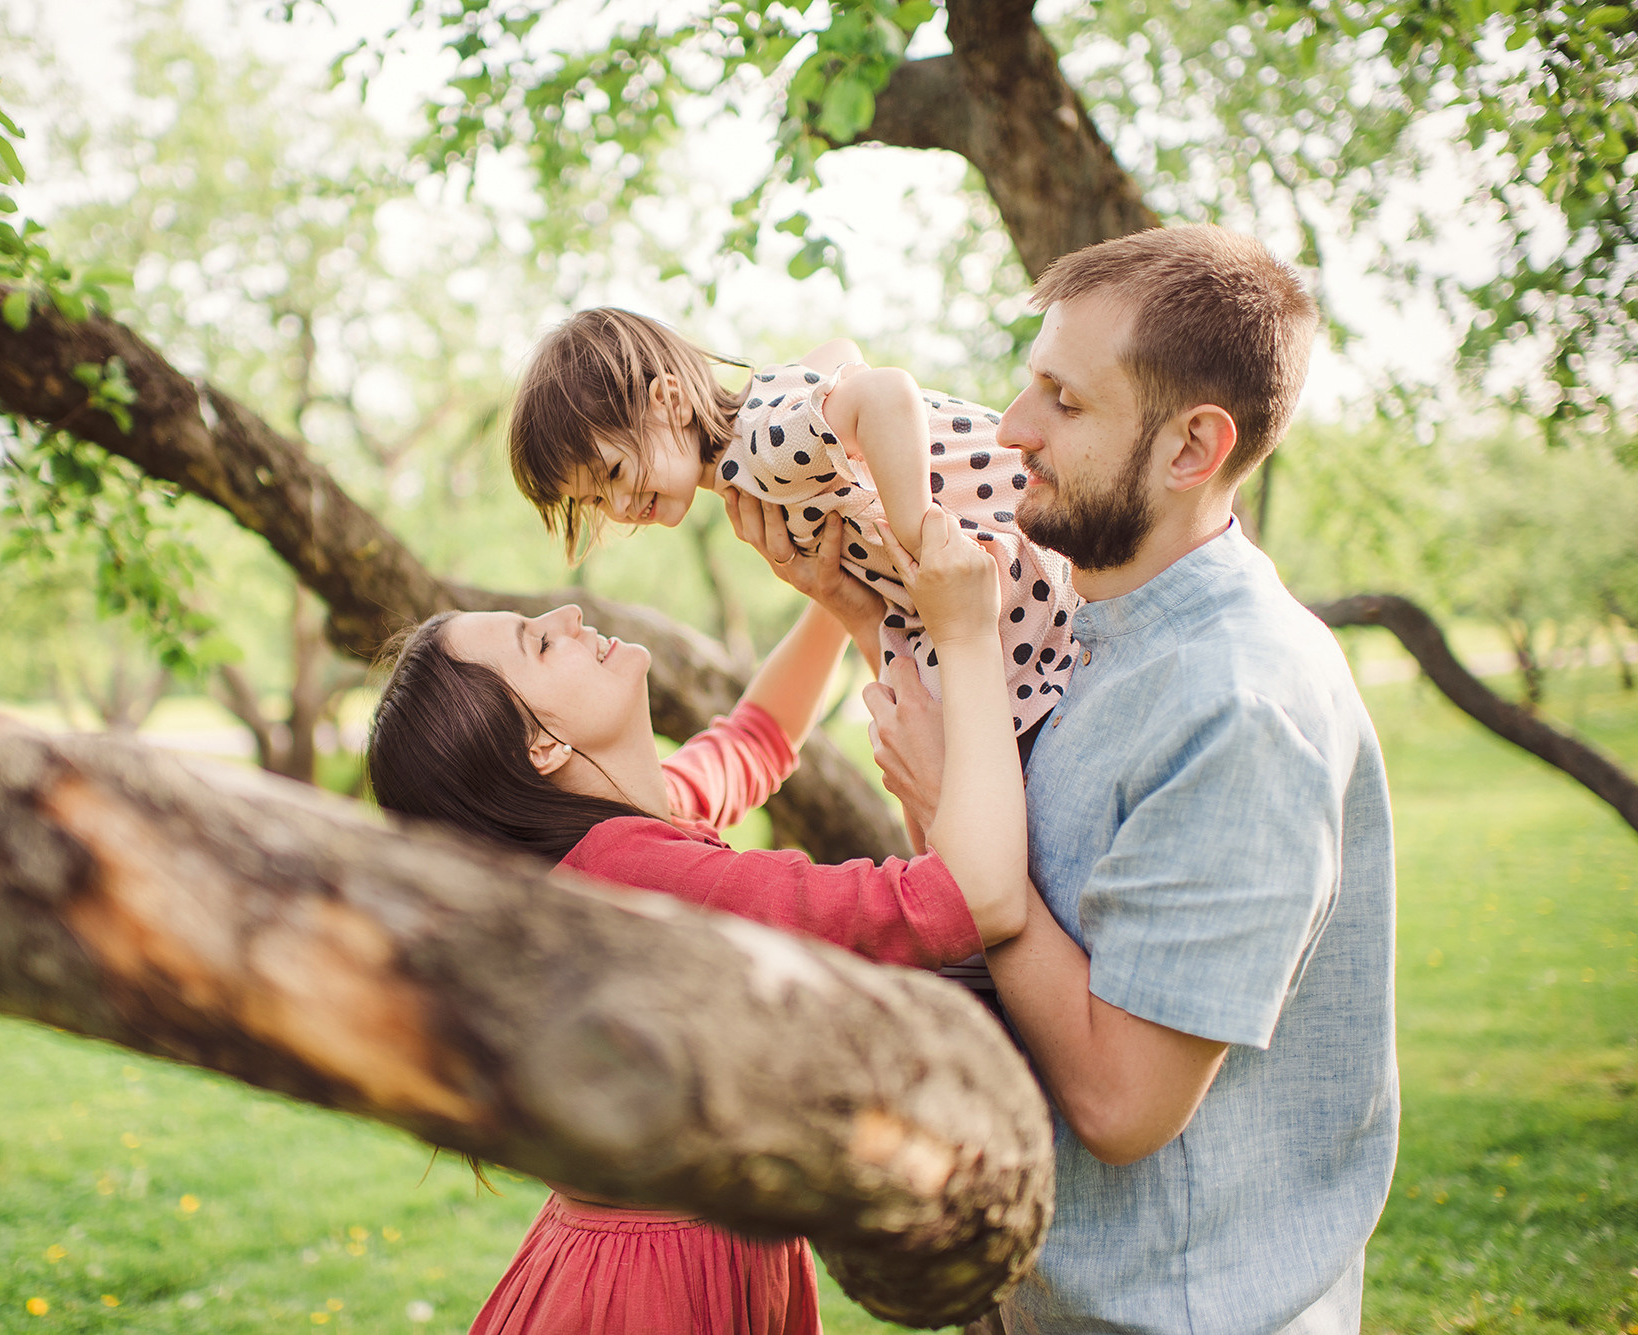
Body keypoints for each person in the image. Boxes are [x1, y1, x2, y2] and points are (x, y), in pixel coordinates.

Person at [867, 225, 1398, 1333]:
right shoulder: (1092, 640)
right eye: (1028, 384)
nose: (1013, 429)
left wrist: (980, 871)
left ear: (1190, 448)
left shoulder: (1236, 704)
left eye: (1063, 400)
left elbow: (1121, 1103)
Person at [367, 493, 1025, 1335]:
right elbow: (972, 898)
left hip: (659, 1256)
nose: (569, 611)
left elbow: (757, 737)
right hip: (660, 1293)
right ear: (542, 746)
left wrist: (834, 598)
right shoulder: (634, 885)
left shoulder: (623, 839)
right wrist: (966, 636)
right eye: (537, 641)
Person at [507, 307, 1083, 735]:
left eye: (611, 471)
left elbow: (885, 394)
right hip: (1013, 545)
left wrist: (919, 536)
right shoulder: (763, 414)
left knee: (955, 783)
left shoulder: (760, 452)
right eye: (594, 501)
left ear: (669, 402)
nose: (619, 507)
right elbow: (841, 348)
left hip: (1011, 577)